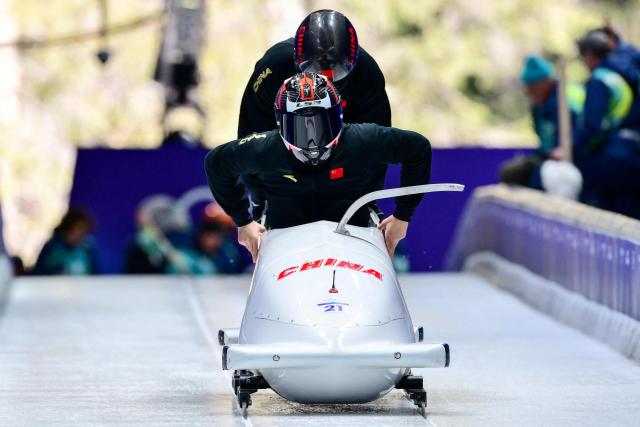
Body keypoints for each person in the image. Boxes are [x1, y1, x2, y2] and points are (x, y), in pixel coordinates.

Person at [206, 72, 431, 261]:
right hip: (285, 245)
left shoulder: (360, 139)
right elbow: (216, 163)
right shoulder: (265, 147)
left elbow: (417, 148)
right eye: (301, 129)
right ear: (281, 124)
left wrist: (402, 216)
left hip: (354, 241)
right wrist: (243, 222)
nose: (312, 141)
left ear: (338, 117)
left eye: (321, 125)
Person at [238, 9, 391, 219]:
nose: (327, 80)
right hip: (285, 149)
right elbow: (250, 138)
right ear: (297, 61)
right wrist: (260, 200)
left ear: (352, 61)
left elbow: (377, 144)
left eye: (337, 72)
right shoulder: (272, 71)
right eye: (317, 72)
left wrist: (368, 200)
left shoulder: (367, 74)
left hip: (343, 146)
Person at [574, 30, 640, 218]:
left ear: (589, 55)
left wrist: (572, 150)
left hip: (615, 154)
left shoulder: (600, 80)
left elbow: (592, 127)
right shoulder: (626, 73)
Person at [501, 55, 584, 188]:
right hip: (549, 157)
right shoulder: (538, 106)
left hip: (578, 156)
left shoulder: (563, 101)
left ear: (546, 82)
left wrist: (563, 149)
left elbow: (579, 133)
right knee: (512, 173)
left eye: (532, 87)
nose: (528, 92)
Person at [32, 208, 100, 275]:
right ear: (68, 229)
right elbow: (39, 273)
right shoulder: (52, 249)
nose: (81, 236)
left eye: (84, 232)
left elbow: (98, 273)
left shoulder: (88, 249)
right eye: (78, 230)